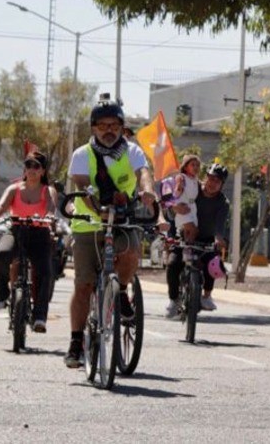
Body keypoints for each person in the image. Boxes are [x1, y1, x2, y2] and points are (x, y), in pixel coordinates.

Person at [64, 94, 156, 368]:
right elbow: (82, 184)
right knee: (84, 285)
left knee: (131, 251)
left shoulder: (132, 151)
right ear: (93, 128)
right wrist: (97, 208)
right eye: (102, 126)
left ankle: (122, 290)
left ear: (121, 127)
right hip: (88, 224)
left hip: (122, 220)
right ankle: (76, 342)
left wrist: (147, 191)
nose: (108, 130)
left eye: (114, 126)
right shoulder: (82, 155)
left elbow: (143, 173)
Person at [0, 149, 60, 332]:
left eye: (36, 166)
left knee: (46, 273)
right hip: (16, 231)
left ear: (43, 171)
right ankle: (2, 294)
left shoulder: (48, 191)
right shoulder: (14, 189)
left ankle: (40, 317)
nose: (31, 169)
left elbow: (51, 207)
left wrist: (50, 217)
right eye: (28, 165)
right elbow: (1, 206)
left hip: (40, 234)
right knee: (1, 255)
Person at [162, 163, 230, 317]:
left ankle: (207, 295)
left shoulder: (223, 202)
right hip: (184, 236)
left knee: (213, 262)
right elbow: (171, 201)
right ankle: (173, 300)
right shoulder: (192, 187)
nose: (212, 183)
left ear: (222, 184)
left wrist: (219, 239)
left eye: (217, 181)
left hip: (207, 240)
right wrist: (174, 207)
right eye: (211, 178)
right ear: (206, 177)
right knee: (173, 264)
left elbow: (220, 225)